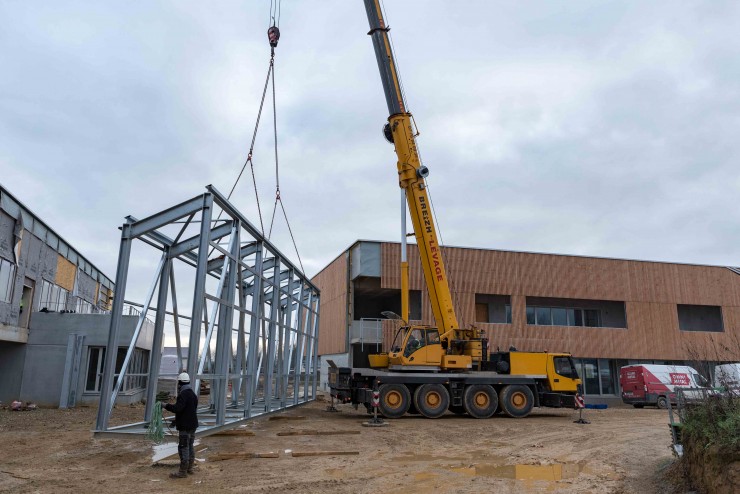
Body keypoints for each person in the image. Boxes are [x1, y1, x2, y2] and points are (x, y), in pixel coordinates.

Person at [164, 372, 199, 478]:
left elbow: (177, 408)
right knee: (190, 446)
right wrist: (177, 420)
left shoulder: (183, 394)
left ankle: (182, 472)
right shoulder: (192, 394)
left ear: (180, 383)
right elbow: (189, 410)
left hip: (185, 426)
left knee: (183, 446)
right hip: (192, 425)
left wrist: (165, 405)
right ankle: (190, 468)